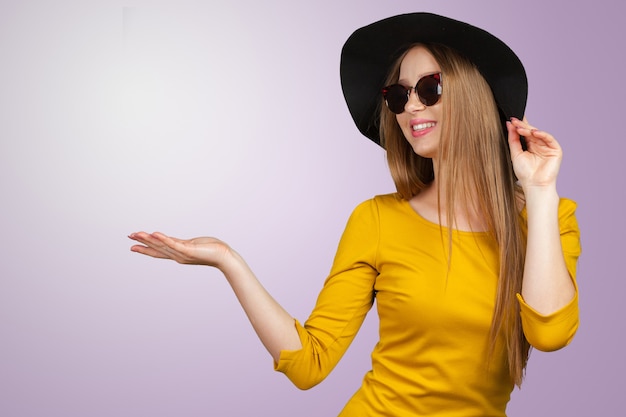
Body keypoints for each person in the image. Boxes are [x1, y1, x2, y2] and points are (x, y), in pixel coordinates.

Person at [128, 12, 580, 417]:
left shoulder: (549, 218)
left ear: (473, 96)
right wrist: (228, 260)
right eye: (398, 95)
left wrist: (539, 193)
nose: (412, 107)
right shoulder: (377, 220)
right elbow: (309, 363)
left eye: (430, 88)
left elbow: (551, 333)